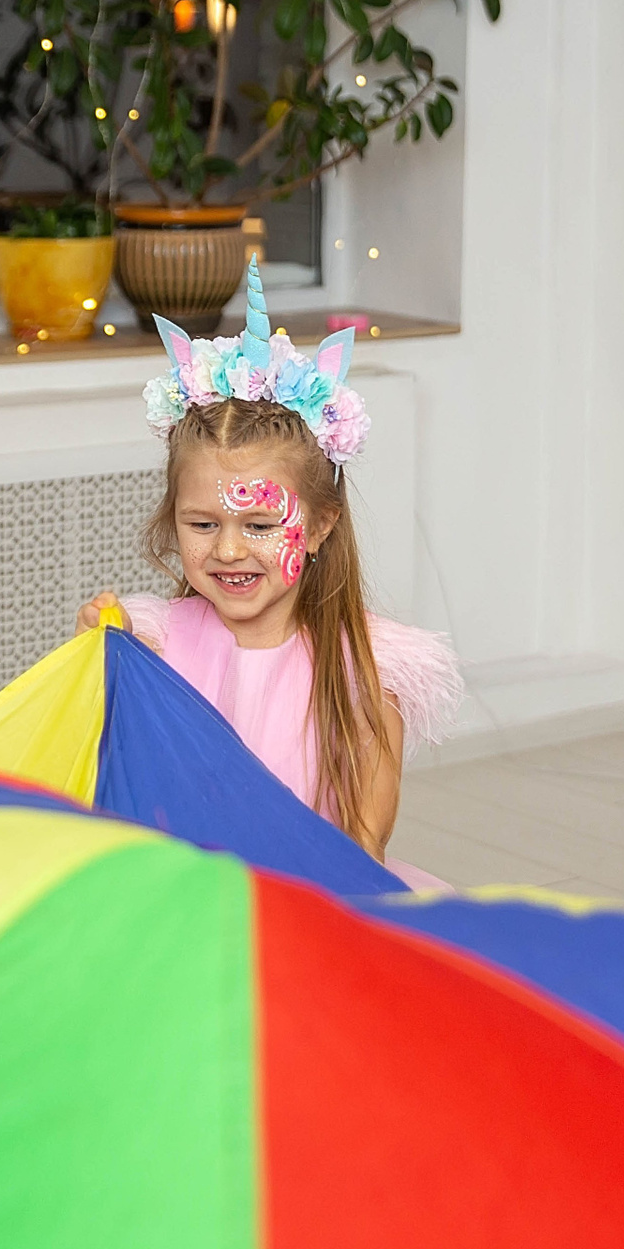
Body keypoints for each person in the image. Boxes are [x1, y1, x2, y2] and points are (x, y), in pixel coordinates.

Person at [77, 263, 460, 889]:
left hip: (313, 904)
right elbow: (107, 774)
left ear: (319, 526)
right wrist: (97, 654)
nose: (228, 549)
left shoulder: (367, 667)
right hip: (185, 902)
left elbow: (365, 841)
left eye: (259, 525)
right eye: (202, 524)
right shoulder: (156, 643)